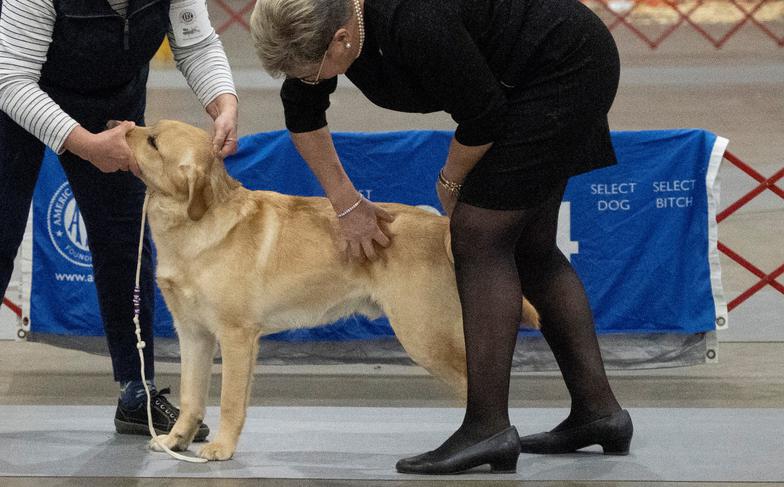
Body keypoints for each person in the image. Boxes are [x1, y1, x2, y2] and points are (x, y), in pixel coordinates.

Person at [251, 0, 634, 474]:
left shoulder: (414, 22)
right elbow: (302, 109)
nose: (309, 80)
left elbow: (483, 116)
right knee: (531, 248)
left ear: (341, 39)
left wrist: (449, 183)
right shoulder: (323, 21)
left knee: (477, 235)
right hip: (517, 79)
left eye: (314, 70)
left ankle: (487, 427)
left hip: (565, 67)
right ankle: (600, 414)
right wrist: (346, 202)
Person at [0, 0, 238, 438]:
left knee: (125, 243)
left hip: (115, 102)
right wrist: (86, 144)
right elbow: (12, 80)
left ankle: (137, 393)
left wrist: (223, 102)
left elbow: (196, 43)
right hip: (17, 101)